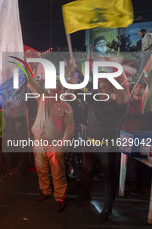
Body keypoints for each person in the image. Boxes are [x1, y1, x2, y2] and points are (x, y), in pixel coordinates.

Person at [76, 76, 129, 222]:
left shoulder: (119, 106)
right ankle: (85, 193)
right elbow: (82, 87)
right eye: (99, 87)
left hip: (107, 146)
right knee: (86, 170)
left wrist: (117, 77)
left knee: (108, 177)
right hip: (89, 143)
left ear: (112, 90)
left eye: (104, 88)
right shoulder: (94, 100)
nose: (100, 90)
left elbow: (122, 96)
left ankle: (107, 208)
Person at [29, 78, 74, 212]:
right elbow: (32, 84)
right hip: (38, 141)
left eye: (59, 88)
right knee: (41, 169)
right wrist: (25, 65)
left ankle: (59, 198)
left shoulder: (66, 106)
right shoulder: (43, 97)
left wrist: (65, 139)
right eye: (54, 87)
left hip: (55, 143)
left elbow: (69, 125)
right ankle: (45, 191)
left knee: (58, 172)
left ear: (63, 91)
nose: (56, 90)